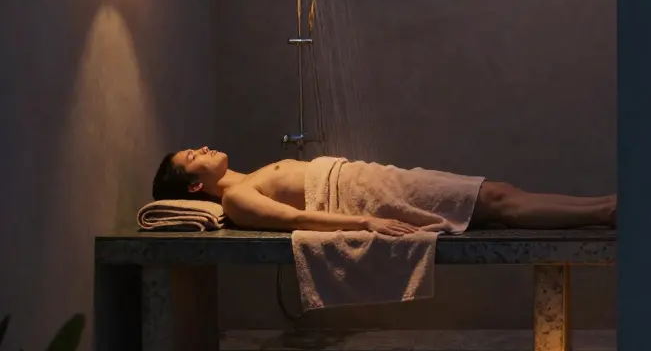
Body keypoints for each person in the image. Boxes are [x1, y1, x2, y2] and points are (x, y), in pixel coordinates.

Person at [153, 147, 616, 234]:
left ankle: (610, 205)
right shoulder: (236, 198)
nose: (204, 147)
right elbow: (295, 220)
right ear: (196, 185)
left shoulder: (250, 174)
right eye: (193, 157)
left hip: (372, 178)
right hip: (369, 198)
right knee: (496, 204)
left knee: (497, 193)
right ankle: (606, 212)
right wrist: (365, 220)